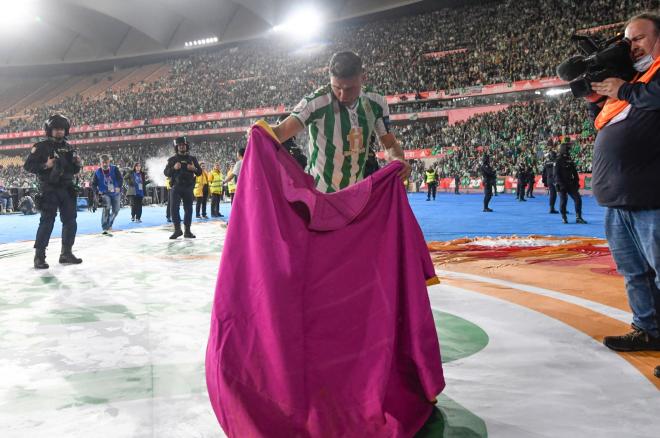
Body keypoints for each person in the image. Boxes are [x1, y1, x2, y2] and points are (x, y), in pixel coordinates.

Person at [588, 13, 660, 351]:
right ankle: (647, 329)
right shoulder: (635, 81)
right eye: (628, 40)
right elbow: (609, 120)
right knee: (634, 273)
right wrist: (597, 98)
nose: (632, 47)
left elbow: (650, 98)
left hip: (652, 199)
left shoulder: (645, 84)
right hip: (619, 201)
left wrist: (624, 88)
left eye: (640, 38)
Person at [272, 51, 411, 193]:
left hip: (357, 195)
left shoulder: (376, 102)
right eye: (337, 88)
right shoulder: (315, 102)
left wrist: (398, 159)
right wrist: (259, 133)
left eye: (349, 88)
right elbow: (279, 133)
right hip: (320, 194)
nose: (343, 96)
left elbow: (390, 144)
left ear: (363, 78)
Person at [23, 114, 82, 269]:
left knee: (70, 221)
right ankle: (39, 257)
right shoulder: (41, 147)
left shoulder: (69, 147)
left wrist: (77, 164)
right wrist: (45, 165)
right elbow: (28, 166)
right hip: (49, 188)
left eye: (62, 129)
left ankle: (66, 253)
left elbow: (73, 170)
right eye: (56, 129)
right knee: (47, 221)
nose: (59, 132)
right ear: (49, 130)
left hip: (67, 189)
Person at [164, 136, 202, 239]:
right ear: (177, 147)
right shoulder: (172, 159)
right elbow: (166, 173)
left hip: (188, 187)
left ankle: (187, 231)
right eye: (179, 145)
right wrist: (173, 168)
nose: (181, 147)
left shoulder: (192, 159)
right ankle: (177, 230)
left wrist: (194, 168)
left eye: (183, 145)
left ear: (186, 146)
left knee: (188, 209)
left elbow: (199, 172)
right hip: (176, 187)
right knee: (174, 209)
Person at [553, 142, 586, 224]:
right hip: (562, 185)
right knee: (563, 201)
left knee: (578, 199)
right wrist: (559, 184)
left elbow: (575, 173)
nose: (569, 150)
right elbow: (556, 174)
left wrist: (576, 182)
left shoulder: (569, 159)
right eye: (568, 148)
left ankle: (578, 217)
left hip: (570, 184)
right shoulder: (558, 160)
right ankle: (564, 217)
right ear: (564, 149)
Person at [93, 155, 123, 235]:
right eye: (103, 162)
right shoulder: (97, 172)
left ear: (109, 162)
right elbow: (93, 184)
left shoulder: (115, 169)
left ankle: (109, 224)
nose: (105, 164)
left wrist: (119, 186)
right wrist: (96, 191)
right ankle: (105, 227)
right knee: (107, 208)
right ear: (100, 163)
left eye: (106, 162)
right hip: (104, 193)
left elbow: (120, 178)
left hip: (115, 193)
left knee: (116, 210)